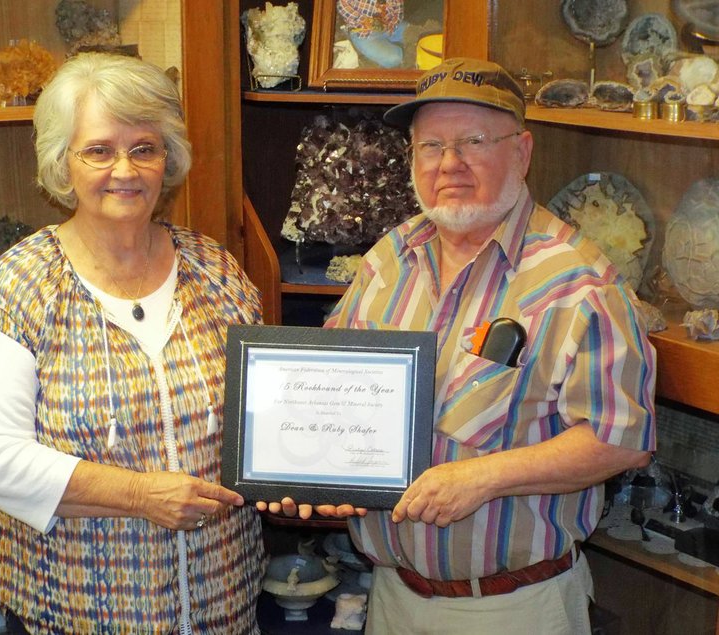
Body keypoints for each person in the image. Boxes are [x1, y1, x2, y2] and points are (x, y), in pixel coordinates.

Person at [262, 57, 656, 634]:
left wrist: (483, 477)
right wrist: (309, 474)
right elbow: (328, 388)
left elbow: (620, 441)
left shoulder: (580, 284)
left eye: (474, 141)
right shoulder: (387, 260)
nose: (450, 164)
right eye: (430, 146)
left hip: (513, 608)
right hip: (391, 597)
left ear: (521, 152)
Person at [0, 52, 265, 634]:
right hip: (75, 613)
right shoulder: (24, 284)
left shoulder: (215, 271)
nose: (125, 169)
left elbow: (269, 419)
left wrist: (313, 474)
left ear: (166, 158)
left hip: (224, 605)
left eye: (144, 147)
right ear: (61, 164)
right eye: (98, 150)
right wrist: (141, 495)